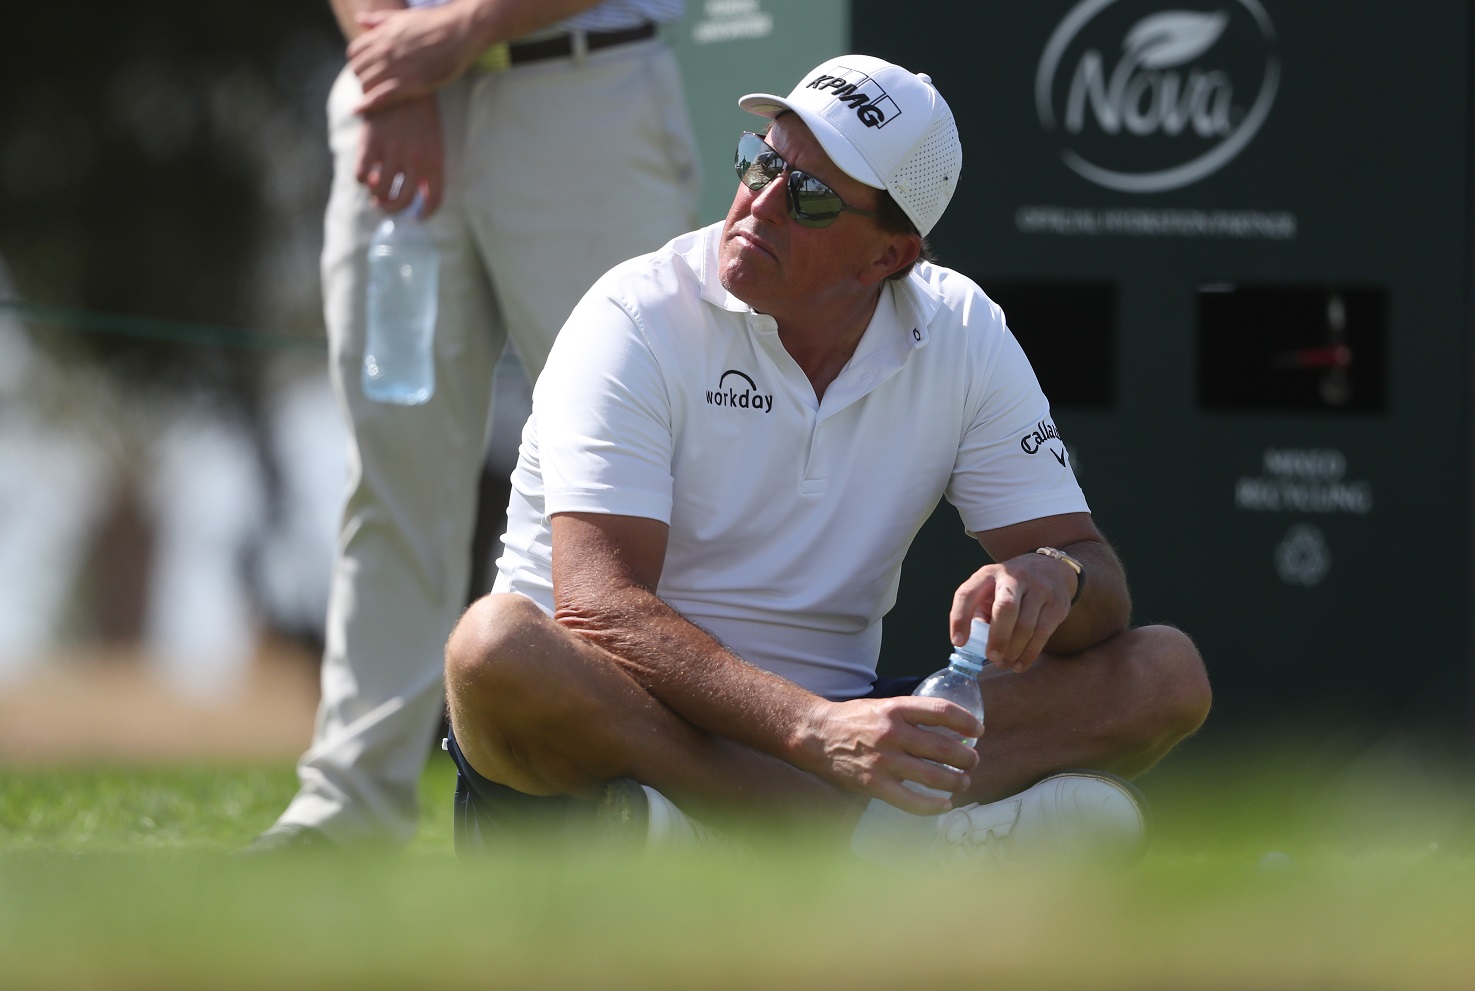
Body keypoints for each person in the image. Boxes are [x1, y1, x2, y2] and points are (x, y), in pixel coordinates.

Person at [442, 54, 1212, 860]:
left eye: (807, 196)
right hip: (625, 719)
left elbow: (1097, 582)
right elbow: (599, 609)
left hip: (839, 727)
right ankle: (864, 846)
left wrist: (1055, 572)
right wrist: (817, 732)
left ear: (890, 258)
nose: (760, 204)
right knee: (495, 649)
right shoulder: (633, 313)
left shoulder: (964, 332)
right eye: (762, 161)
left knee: (1165, 673)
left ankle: (739, 837)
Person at [247, 0, 700, 851]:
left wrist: (464, 29)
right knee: (392, 471)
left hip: (584, 98)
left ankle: (669, 791)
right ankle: (348, 805)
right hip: (395, 115)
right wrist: (398, 66)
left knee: (645, 464)